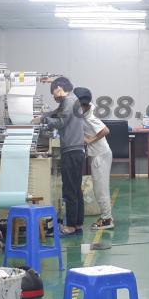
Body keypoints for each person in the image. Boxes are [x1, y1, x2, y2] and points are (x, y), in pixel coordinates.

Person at [40, 76, 88, 235]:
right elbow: (56, 112)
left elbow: (60, 122)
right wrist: (43, 115)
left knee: (69, 190)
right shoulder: (71, 100)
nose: (53, 96)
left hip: (71, 151)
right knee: (76, 189)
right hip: (77, 150)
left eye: (53, 92)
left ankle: (71, 226)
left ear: (59, 89)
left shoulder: (69, 101)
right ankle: (78, 223)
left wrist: (44, 121)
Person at [78, 87, 115, 228]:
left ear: (83, 105)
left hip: (100, 155)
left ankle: (107, 219)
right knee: (99, 188)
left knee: (101, 189)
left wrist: (89, 140)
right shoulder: (85, 113)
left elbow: (105, 130)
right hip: (99, 154)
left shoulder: (90, 117)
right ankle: (106, 217)